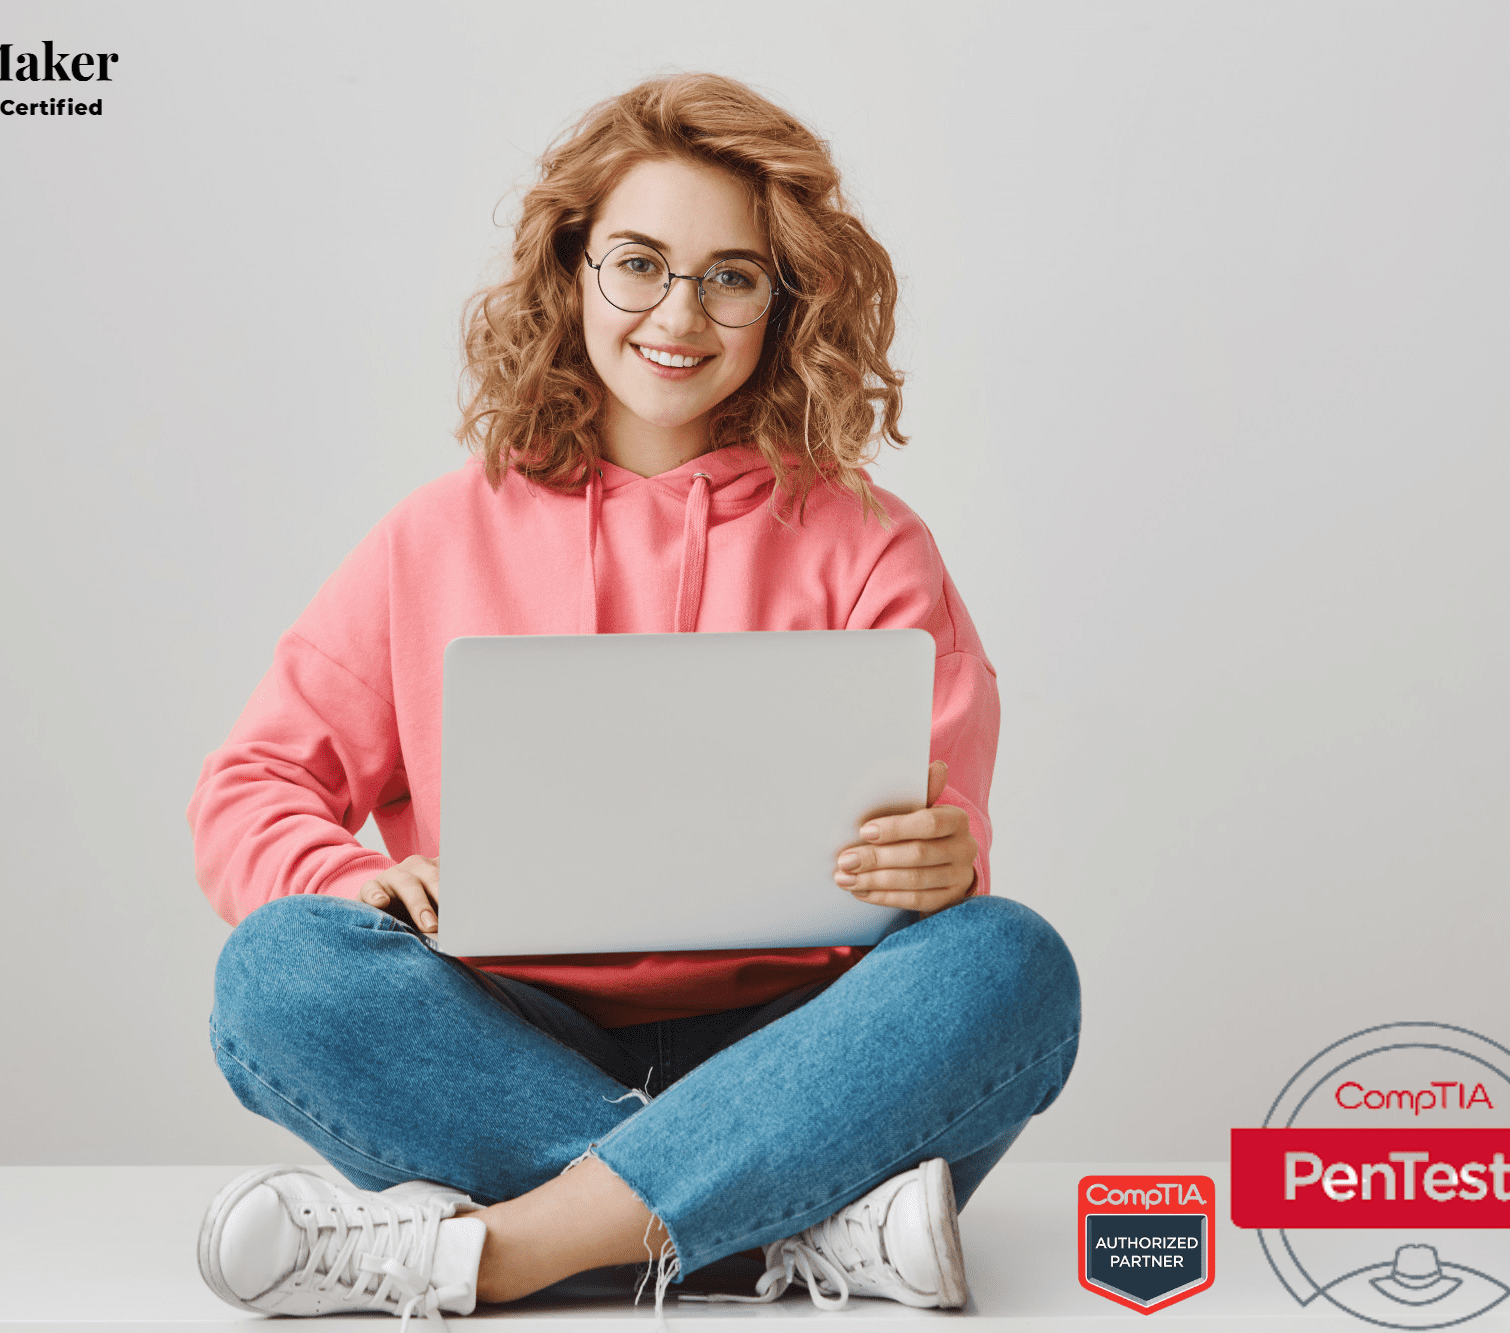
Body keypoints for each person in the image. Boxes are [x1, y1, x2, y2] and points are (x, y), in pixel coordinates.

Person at [188, 73, 1080, 1325]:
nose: (679, 312)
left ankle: (494, 1254)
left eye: (729, 274)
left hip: (803, 1047)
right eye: (639, 264)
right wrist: (345, 879)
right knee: (278, 970)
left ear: (785, 301)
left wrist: (943, 860)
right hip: (502, 1041)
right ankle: (799, 1229)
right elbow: (251, 784)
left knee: (1009, 964)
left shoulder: (872, 543)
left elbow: (943, 843)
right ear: (573, 272)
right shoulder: (435, 535)